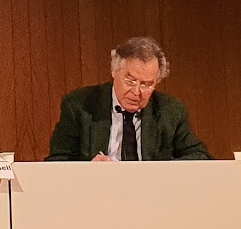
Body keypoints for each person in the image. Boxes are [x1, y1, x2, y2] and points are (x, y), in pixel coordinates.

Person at [45, 35, 212, 161]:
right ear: (114, 72)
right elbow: (58, 161)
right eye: (130, 81)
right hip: (98, 192)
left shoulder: (171, 111)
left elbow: (200, 156)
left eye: (147, 84)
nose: (136, 92)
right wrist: (89, 170)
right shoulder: (79, 106)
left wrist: (160, 172)